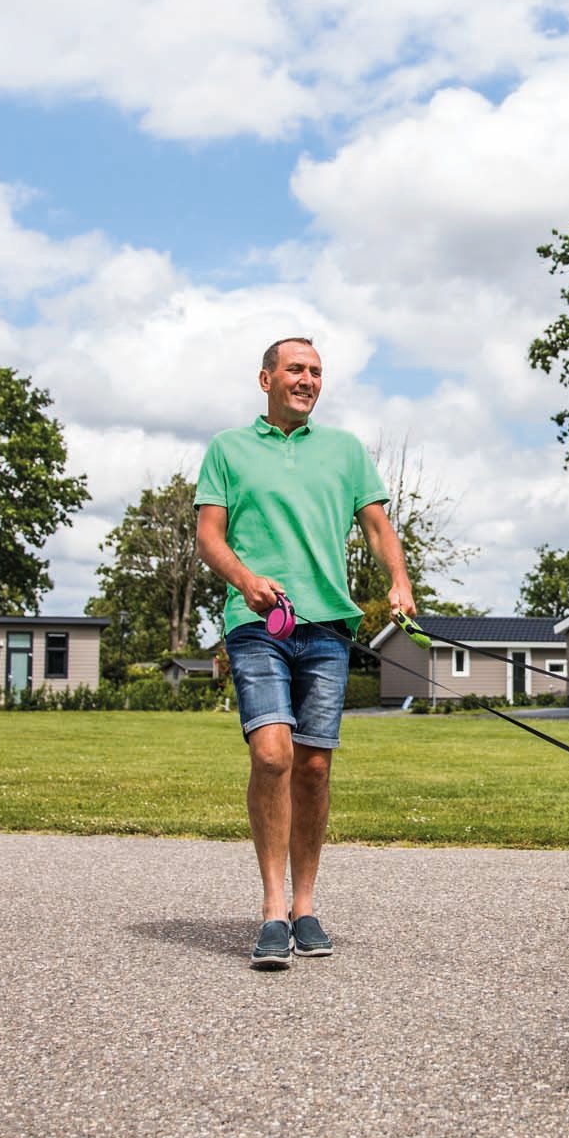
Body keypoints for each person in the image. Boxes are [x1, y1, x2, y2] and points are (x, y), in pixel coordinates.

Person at [197, 336, 414, 969]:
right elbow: (209, 535)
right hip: (259, 622)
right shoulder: (228, 449)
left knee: (314, 766)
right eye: (296, 369)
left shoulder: (345, 451)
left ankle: (305, 906)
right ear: (265, 377)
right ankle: (270, 910)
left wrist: (398, 582)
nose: (308, 380)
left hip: (326, 629)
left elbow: (378, 526)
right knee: (272, 754)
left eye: (316, 372)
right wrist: (245, 581)